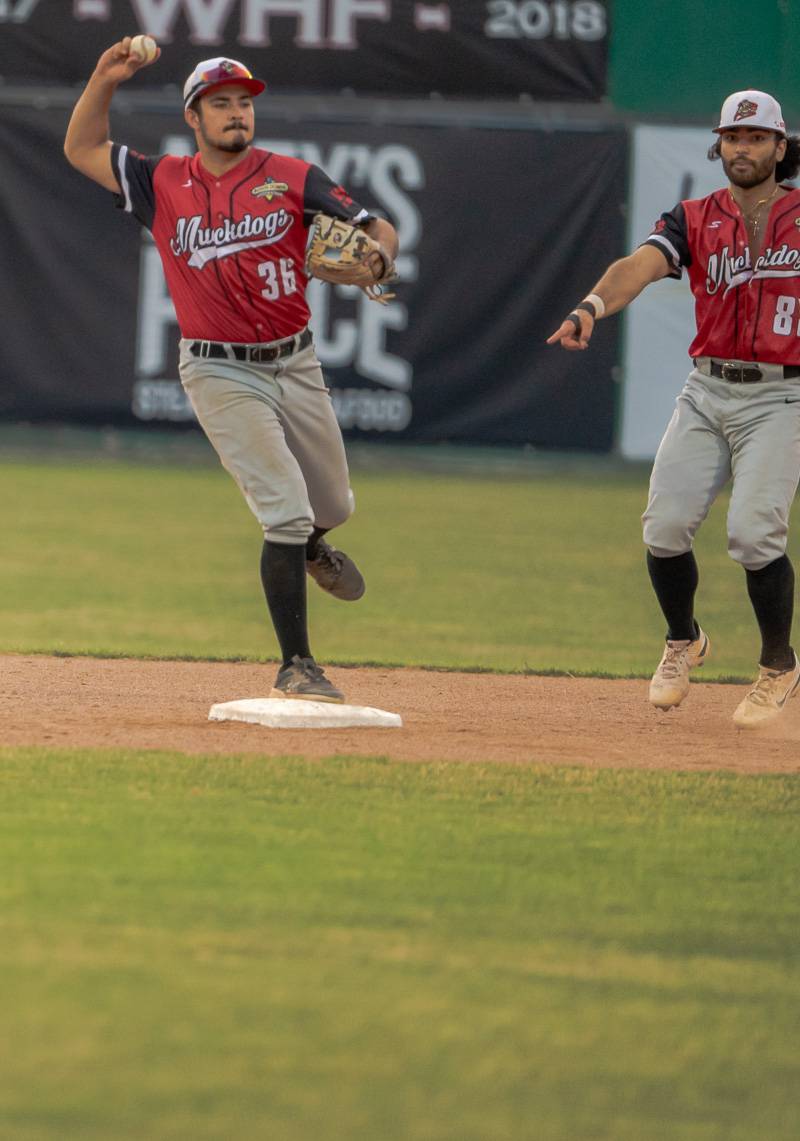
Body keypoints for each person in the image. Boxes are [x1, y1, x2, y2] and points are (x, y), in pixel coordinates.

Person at [64, 39, 399, 704]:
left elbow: (375, 224)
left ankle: (310, 545)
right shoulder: (161, 181)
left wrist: (378, 259)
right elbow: (80, 148)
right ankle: (297, 664)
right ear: (194, 117)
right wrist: (104, 76)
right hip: (218, 370)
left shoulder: (293, 175)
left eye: (244, 103)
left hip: (295, 360)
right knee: (286, 507)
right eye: (220, 104)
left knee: (333, 505)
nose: (237, 114)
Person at [547, 88, 800, 729]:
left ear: (780, 144)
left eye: (755, 137)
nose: (742, 148)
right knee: (662, 528)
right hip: (709, 389)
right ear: (719, 145)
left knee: (752, 532)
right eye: (732, 138)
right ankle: (684, 638)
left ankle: (778, 666)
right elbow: (640, 265)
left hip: (782, 393)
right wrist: (590, 307)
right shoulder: (695, 216)